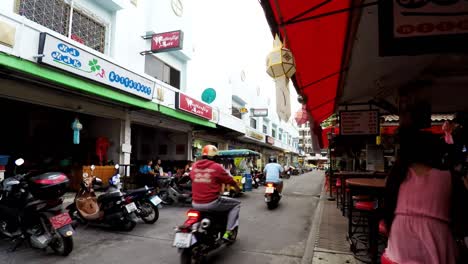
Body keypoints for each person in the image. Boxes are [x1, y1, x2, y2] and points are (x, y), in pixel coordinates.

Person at [384, 128, 457, 264]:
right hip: (438, 238)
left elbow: (387, 209)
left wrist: (391, 232)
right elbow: (460, 218)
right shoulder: (448, 177)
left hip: (400, 237)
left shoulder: (397, 174)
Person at [190, 145, 241, 240]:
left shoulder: (194, 166)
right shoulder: (216, 167)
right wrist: (238, 189)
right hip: (211, 202)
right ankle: (228, 232)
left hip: (195, 203)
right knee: (236, 204)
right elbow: (230, 181)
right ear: (215, 157)